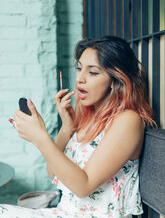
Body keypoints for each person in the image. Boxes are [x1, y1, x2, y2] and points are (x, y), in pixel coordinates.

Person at [0, 36, 156, 218]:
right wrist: (67, 128)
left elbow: (84, 186)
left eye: (93, 72)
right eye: (80, 68)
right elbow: (53, 171)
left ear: (115, 79)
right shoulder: (88, 119)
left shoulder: (128, 120)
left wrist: (40, 137)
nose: (80, 79)